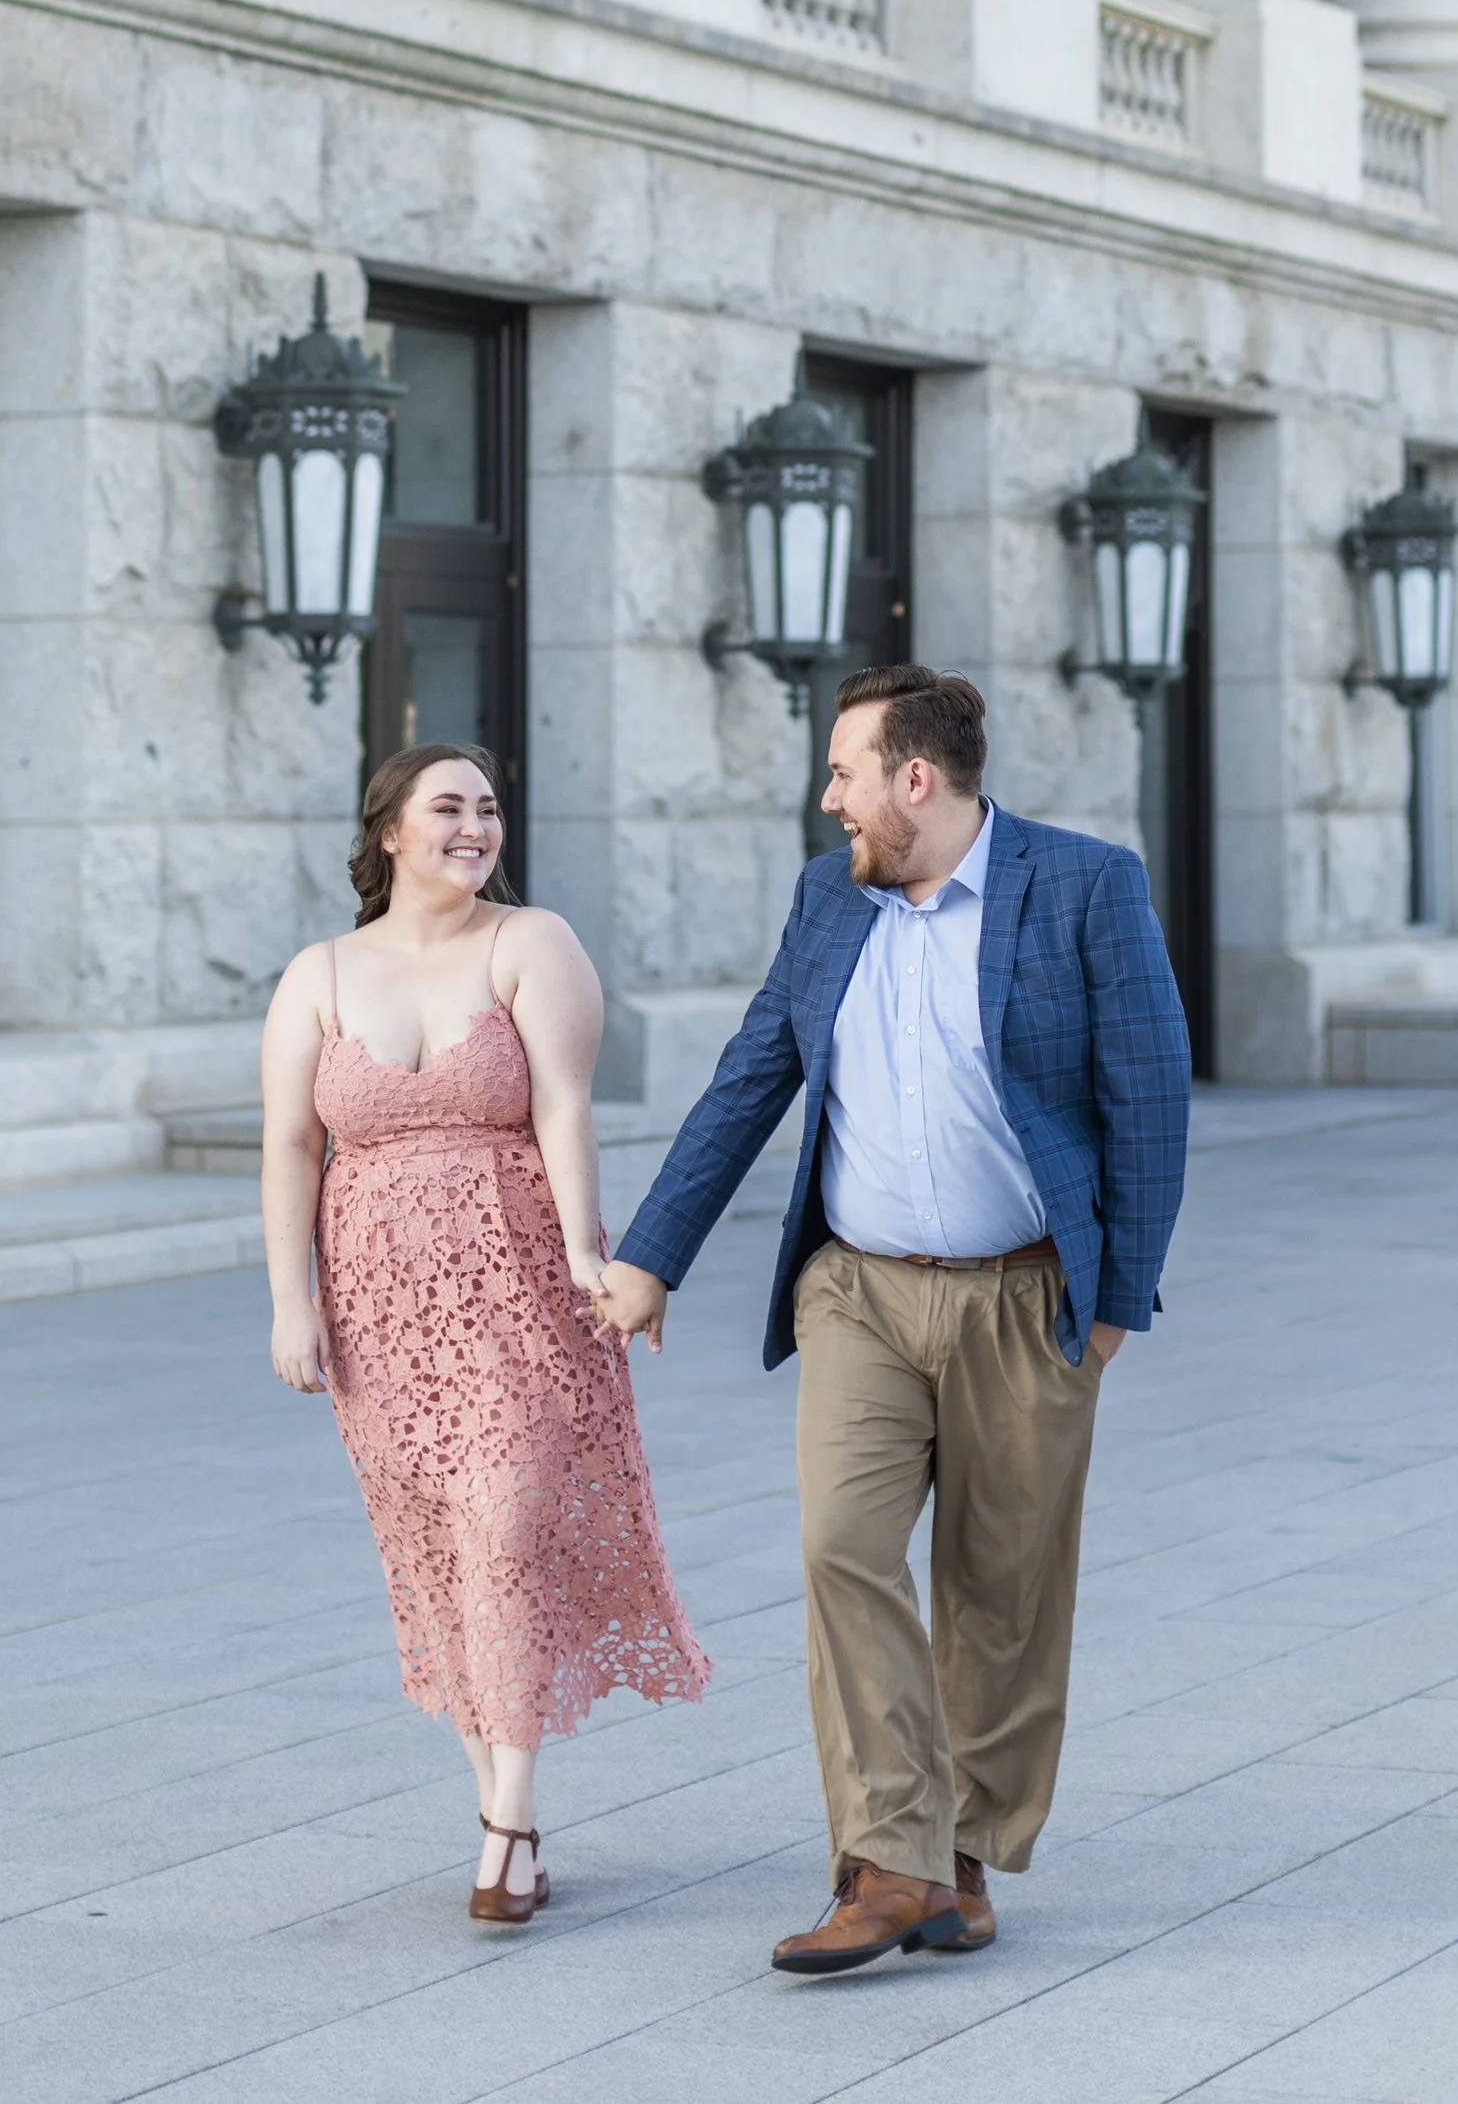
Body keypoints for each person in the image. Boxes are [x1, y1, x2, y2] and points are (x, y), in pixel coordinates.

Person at [597, 664, 1190, 1975]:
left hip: (1029, 1293)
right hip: (858, 1288)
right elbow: (752, 1073)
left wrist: (1114, 1306)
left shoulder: (1086, 887)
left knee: (1000, 1591)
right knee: (840, 1549)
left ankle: (961, 1858)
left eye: (845, 774)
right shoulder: (829, 900)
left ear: (915, 779)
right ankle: (888, 1858)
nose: (830, 802)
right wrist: (654, 1259)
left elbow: (1147, 1101)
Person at [261, 742, 710, 1926]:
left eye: (490, 807)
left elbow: (563, 1104)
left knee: (506, 1525)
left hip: (516, 1291)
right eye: (448, 806)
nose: (475, 825)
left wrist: (582, 1254)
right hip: (378, 1309)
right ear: (391, 830)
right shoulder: (318, 973)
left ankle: (506, 1824)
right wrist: (290, 1298)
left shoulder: (532, 942)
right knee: (437, 1553)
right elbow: (290, 1147)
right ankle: (502, 1810)